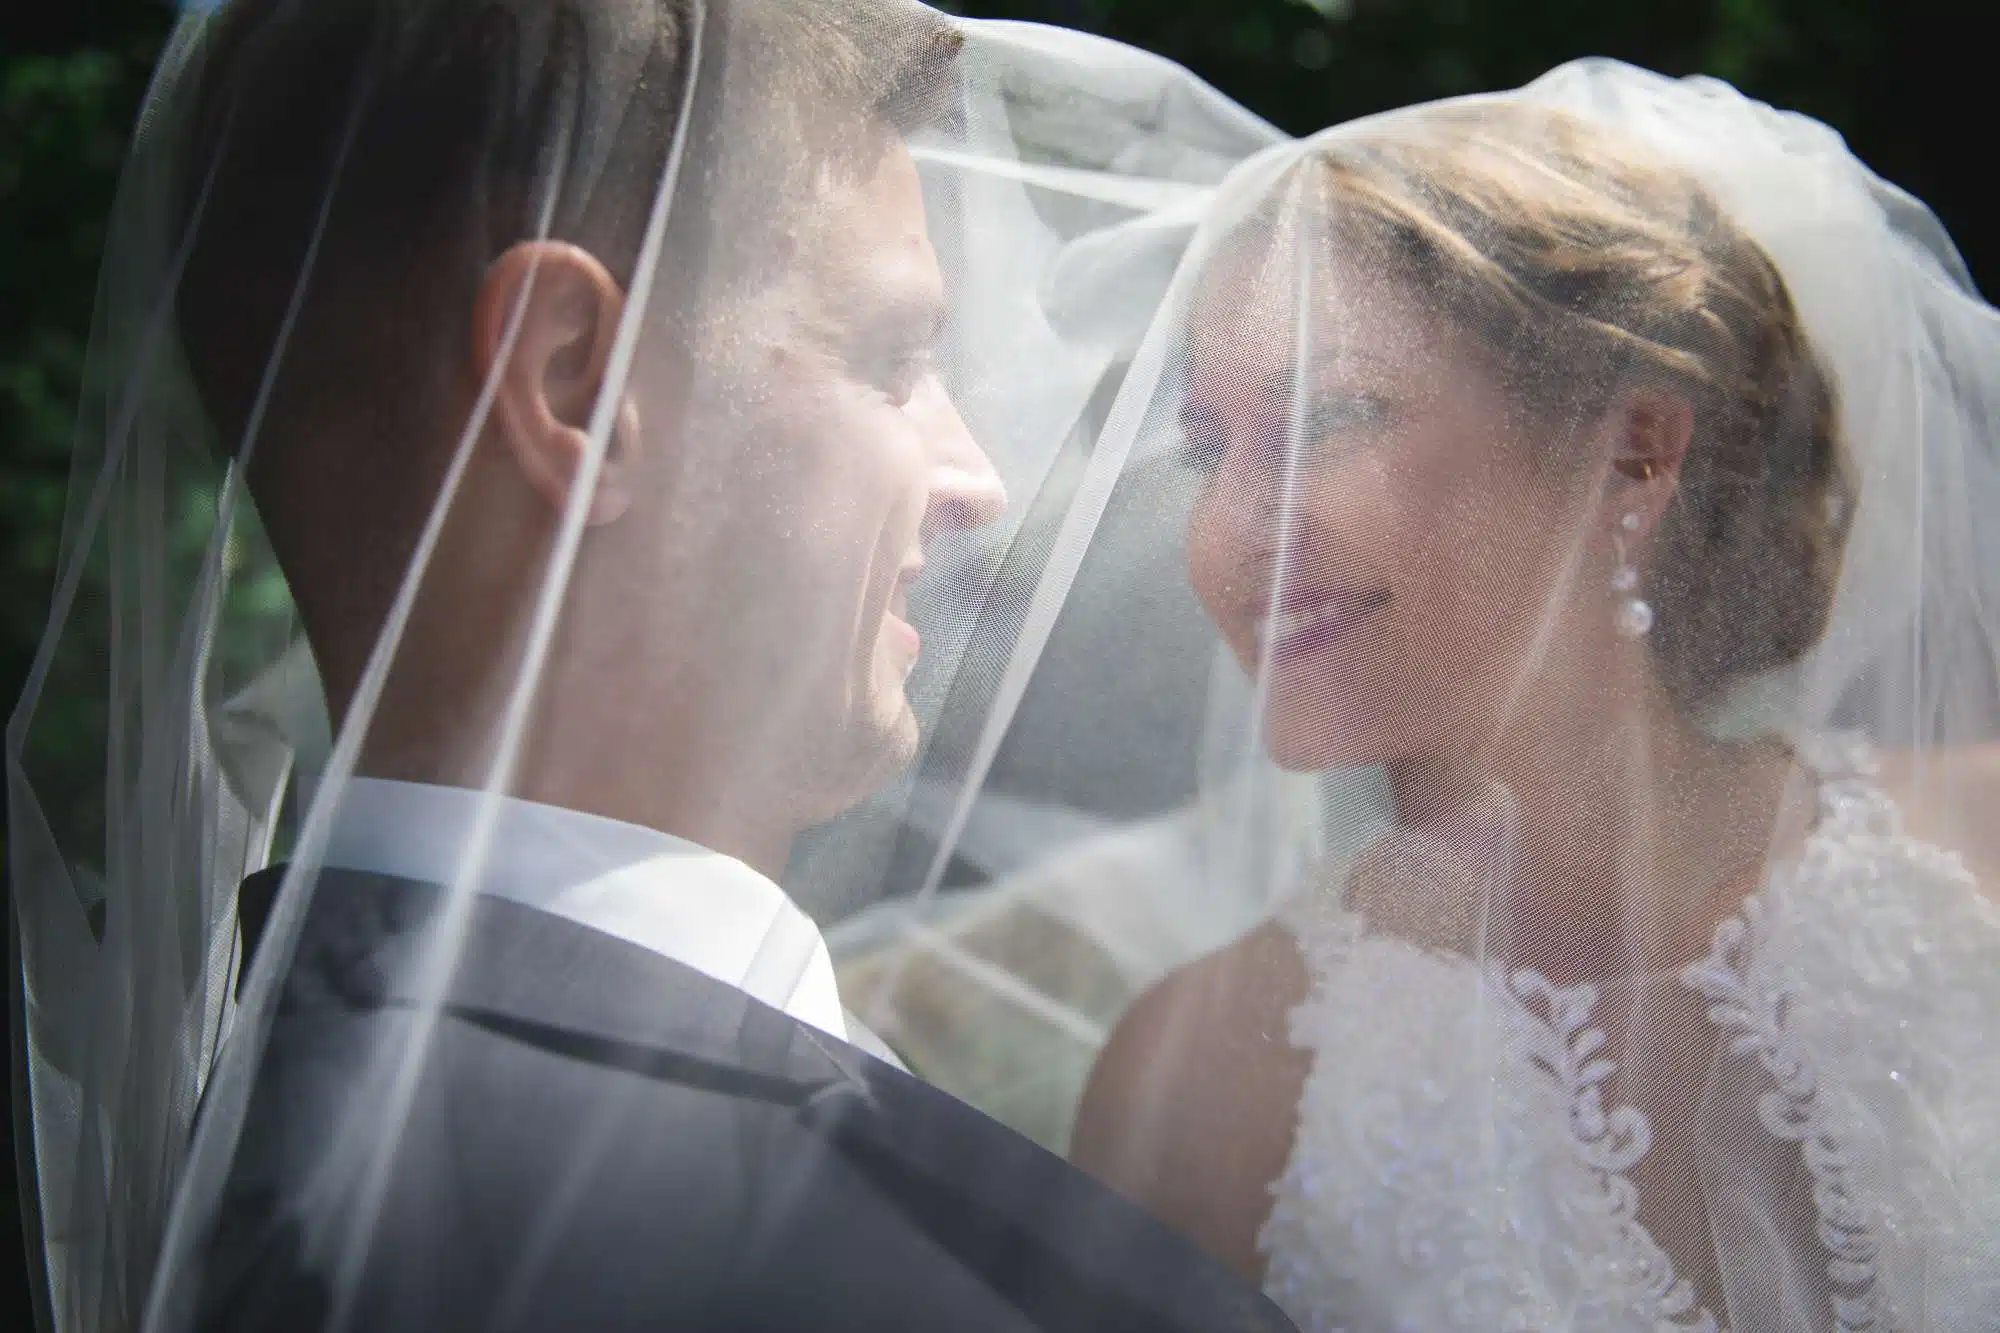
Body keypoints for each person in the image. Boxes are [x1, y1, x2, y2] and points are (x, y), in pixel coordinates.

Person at [4, 1, 1303, 1330]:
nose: (977, 480)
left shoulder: (329, 1128)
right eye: (893, 358)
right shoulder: (555, 1249)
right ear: (574, 382)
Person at [1040, 64, 2000, 1331]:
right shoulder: (1200, 1086)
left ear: (1634, 453)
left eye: (1329, 417)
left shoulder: (1979, 848)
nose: (1228, 534)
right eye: (1207, 449)